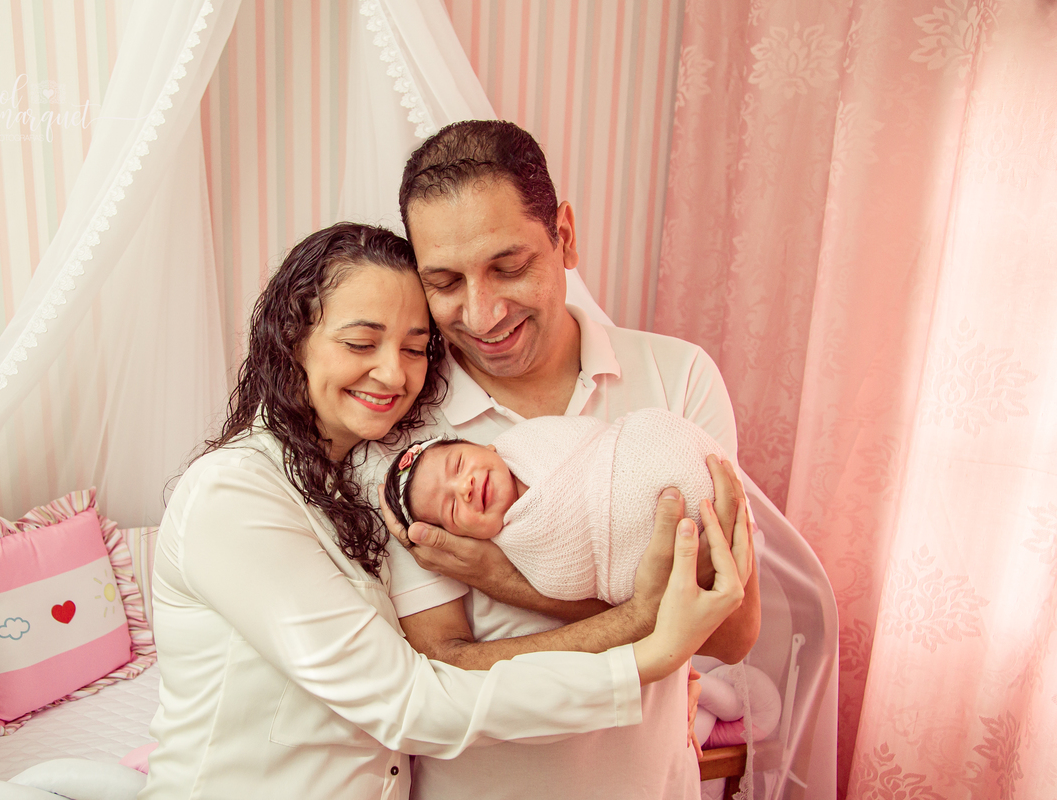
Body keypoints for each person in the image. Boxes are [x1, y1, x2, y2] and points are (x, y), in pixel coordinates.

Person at [139, 222, 751, 799]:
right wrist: (647, 647)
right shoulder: (233, 496)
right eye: (360, 341)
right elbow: (406, 702)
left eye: (414, 348)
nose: (393, 372)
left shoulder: (375, 480)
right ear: (291, 341)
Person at [371, 120, 763, 799]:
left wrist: (507, 579)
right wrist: (646, 616)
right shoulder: (408, 437)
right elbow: (442, 669)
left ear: (566, 237)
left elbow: (730, 631)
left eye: (509, 266)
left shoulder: (678, 378)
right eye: (445, 281)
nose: (482, 312)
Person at [383, 407, 729, 606]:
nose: (465, 487)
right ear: (465, 538)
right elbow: (567, 581)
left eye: (458, 464)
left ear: (485, 446)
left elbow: (596, 434)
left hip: (663, 449)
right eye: (452, 509)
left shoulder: (531, 438)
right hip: (657, 552)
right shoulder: (525, 554)